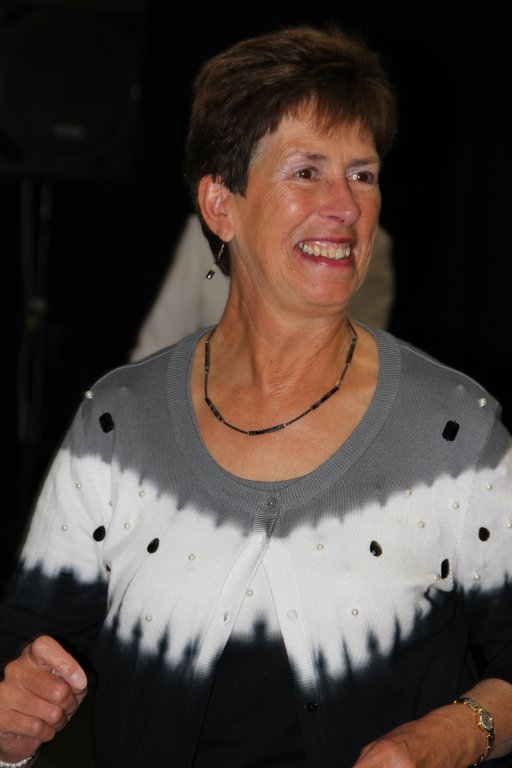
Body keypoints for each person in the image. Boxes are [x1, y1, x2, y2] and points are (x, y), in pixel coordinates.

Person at [0, 23, 511, 768]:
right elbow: (26, 651)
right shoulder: (115, 425)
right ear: (221, 205)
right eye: (306, 171)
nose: (344, 205)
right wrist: (13, 719)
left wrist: (441, 741)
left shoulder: (455, 433)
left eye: (363, 174)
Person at [129, 213, 395, 360]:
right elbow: (157, 343)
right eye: (303, 173)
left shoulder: (363, 248)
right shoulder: (207, 236)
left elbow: (359, 355)